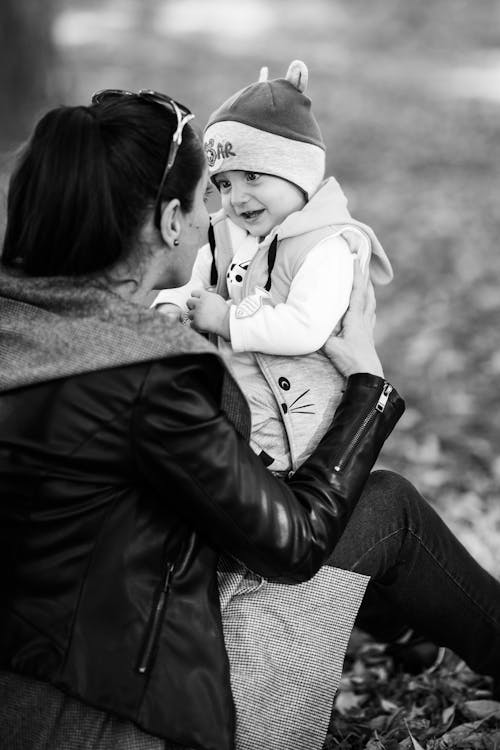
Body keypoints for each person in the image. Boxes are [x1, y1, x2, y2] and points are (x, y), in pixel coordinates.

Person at [0, 90, 498, 750]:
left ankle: (409, 639)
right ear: (171, 221)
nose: (222, 211)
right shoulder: (144, 374)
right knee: (386, 509)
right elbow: (290, 544)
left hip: (23, 686)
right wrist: (367, 387)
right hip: (121, 717)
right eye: (211, 194)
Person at [152, 61, 394, 475]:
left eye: (252, 176)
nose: (237, 198)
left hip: (299, 428)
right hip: (236, 409)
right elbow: (192, 278)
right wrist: (170, 308)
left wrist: (228, 320)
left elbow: (306, 327)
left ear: (297, 174)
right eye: (224, 184)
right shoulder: (228, 233)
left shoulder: (326, 245)